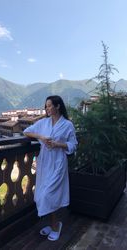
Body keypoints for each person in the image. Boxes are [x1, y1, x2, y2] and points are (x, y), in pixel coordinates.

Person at [23, 95, 77, 241]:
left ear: (58, 106)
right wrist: (41, 137)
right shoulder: (43, 123)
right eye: (46, 106)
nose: (46, 108)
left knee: (49, 194)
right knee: (41, 195)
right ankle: (52, 223)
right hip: (45, 162)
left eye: (49, 106)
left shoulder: (67, 125)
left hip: (58, 163)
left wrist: (58, 144)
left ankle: (55, 226)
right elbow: (26, 131)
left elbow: (73, 145)